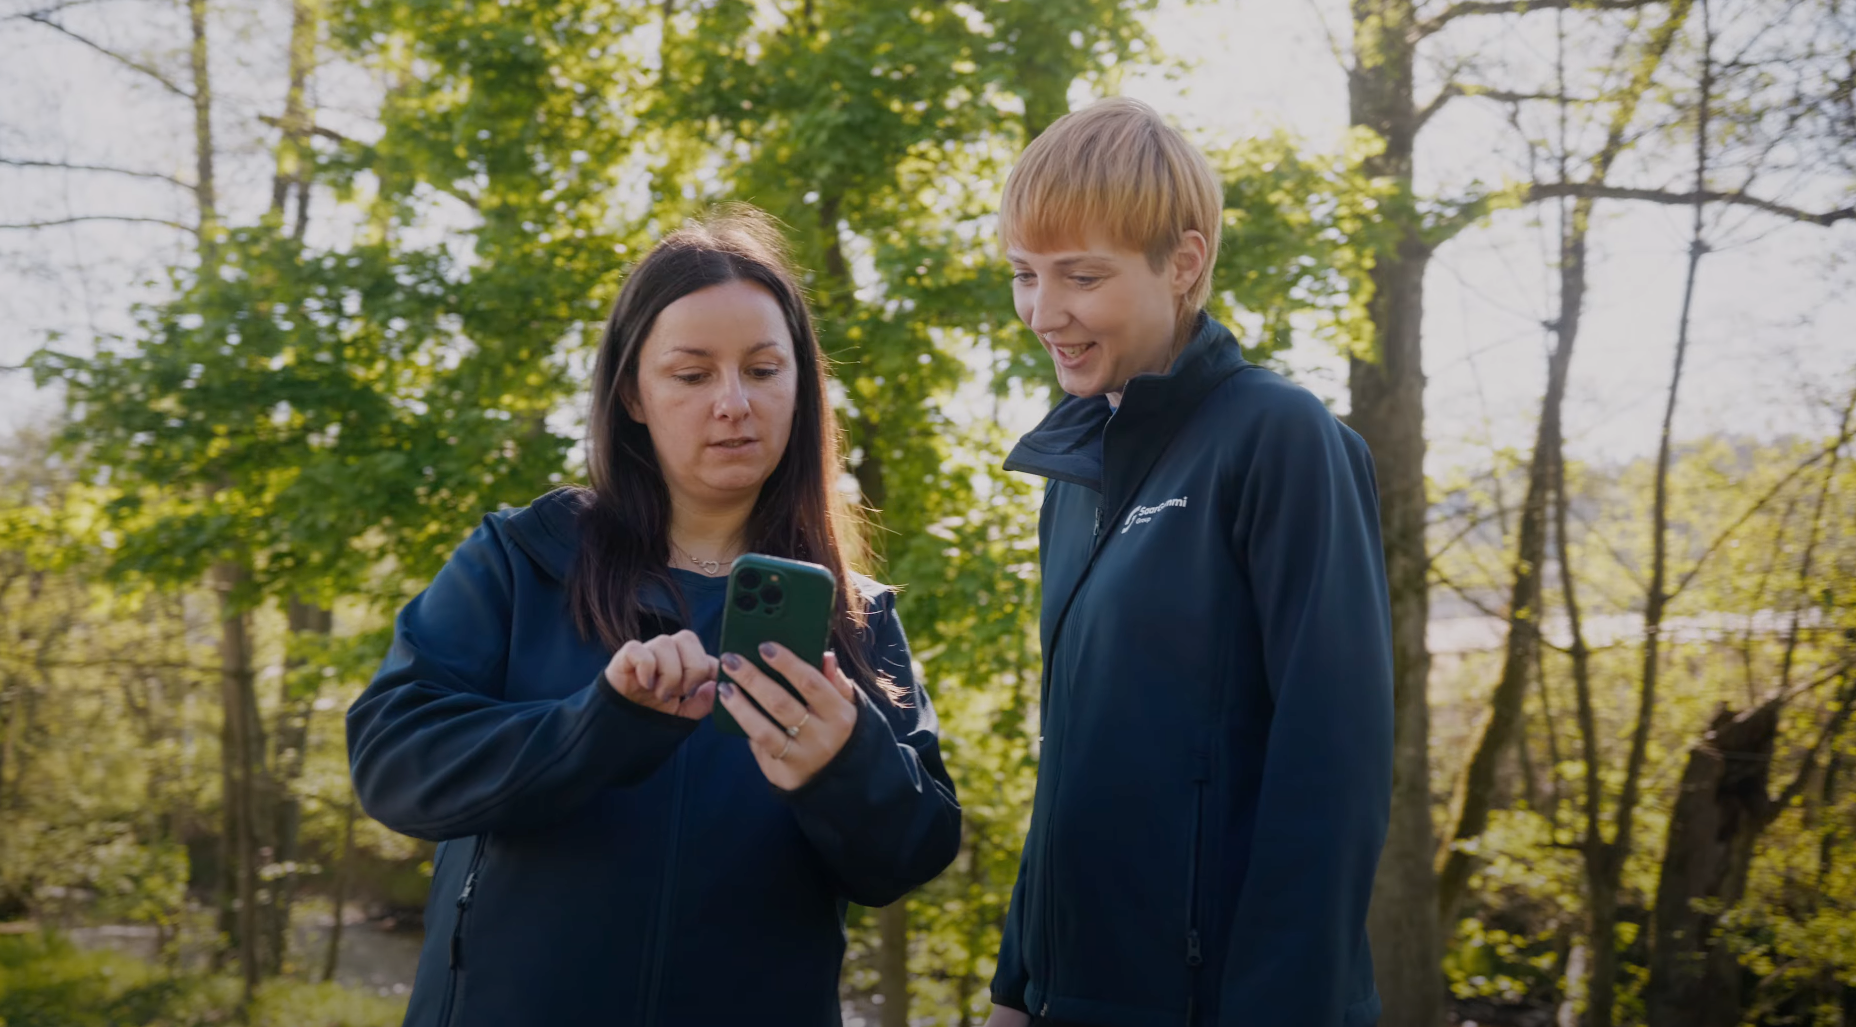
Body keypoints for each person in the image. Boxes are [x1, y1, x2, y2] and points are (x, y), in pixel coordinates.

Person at [347, 208, 961, 1026]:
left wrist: (843, 762)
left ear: (800, 385)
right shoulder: (521, 559)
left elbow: (910, 854)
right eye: (692, 373)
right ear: (634, 392)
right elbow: (393, 762)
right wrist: (595, 726)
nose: (733, 403)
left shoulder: (851, 614)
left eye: (763, 368)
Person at [985, 98, 1394, 1027]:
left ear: (1184, 262)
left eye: (1080, 276)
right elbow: (1071, 766)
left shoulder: (1278, 438)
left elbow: (1333, 767)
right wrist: (1017, 985)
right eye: (1022, 275)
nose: (1044, 313)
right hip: (1073, 998)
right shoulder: (1074, 474)